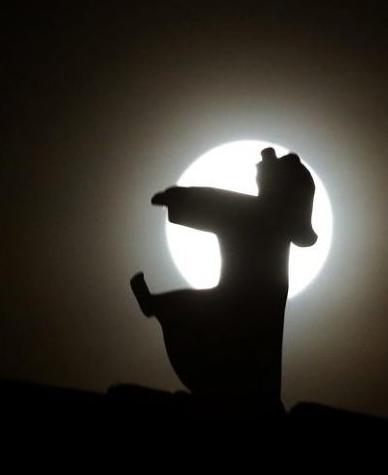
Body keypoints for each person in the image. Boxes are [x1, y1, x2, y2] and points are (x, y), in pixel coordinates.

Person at [130, 147, 317, 409]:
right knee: (192, 313)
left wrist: (177, 199)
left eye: (262, 178)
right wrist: (178, 199)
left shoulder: (258, 216)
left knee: (194, 317)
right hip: (239, 299)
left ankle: (244, 393)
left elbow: (216, 204)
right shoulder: (264, 216)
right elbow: (218, 203)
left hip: (241, 302)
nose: (258, 181)